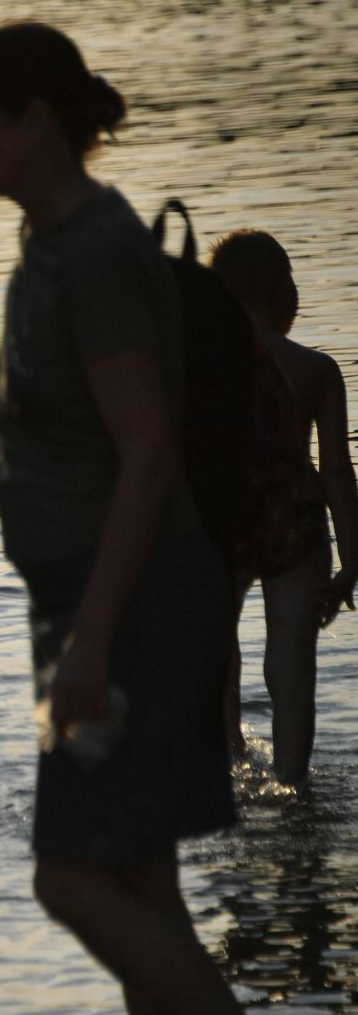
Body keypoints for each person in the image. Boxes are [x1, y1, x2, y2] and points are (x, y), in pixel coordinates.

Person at [0, 22, 316, 1015]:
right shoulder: (52, 247)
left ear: (35, 123)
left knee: (72, 877)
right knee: (143, 892)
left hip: (130, 604)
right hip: (97, 598)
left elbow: (147, 452)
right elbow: (86, 428)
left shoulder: (95, 250)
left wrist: (91, 639)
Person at [210, 228, 357, 784]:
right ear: (282, 294)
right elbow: (339, 473)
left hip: (222, 524)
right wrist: (353, 561)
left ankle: (229, 762)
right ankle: (293, 782)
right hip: (296, 524)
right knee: (292, 661)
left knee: (220, 655)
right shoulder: (316, 369)